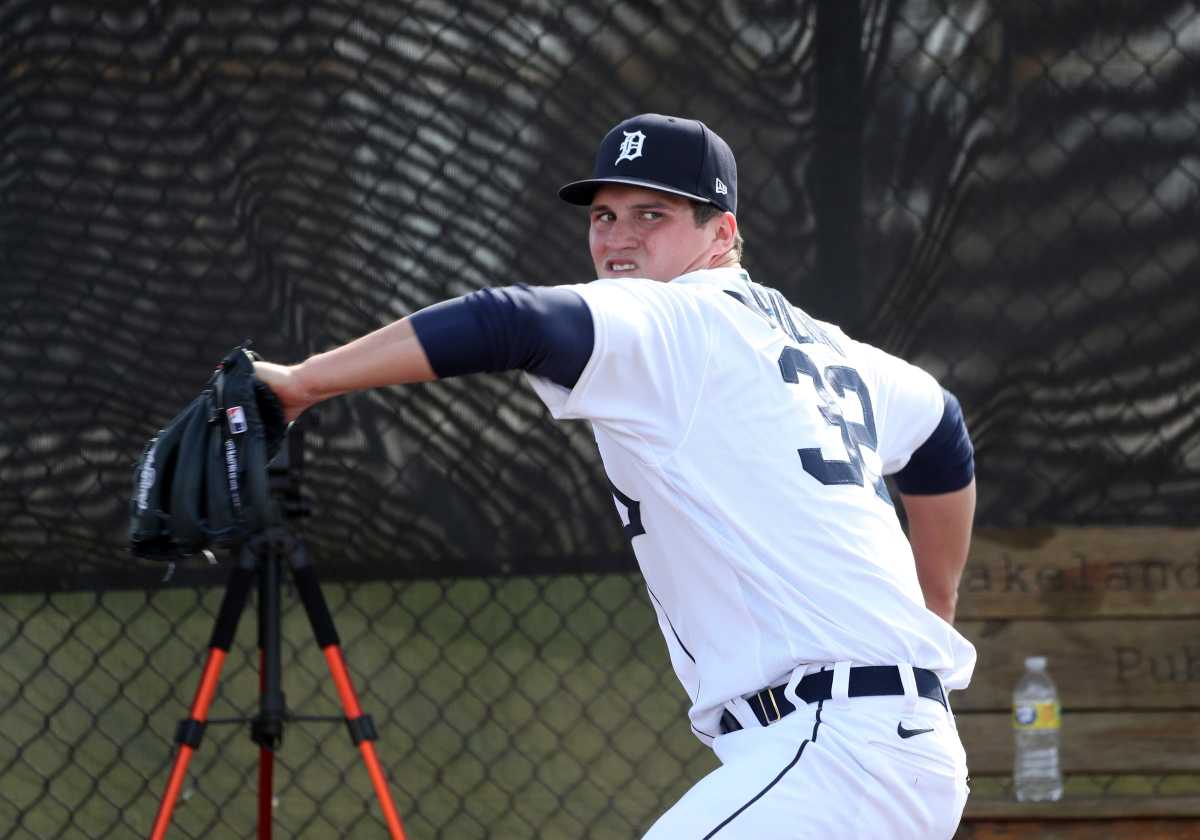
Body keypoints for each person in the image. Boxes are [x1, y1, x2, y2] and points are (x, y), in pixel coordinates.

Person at [253, 113, 977, 838]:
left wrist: (302, 384)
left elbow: (510, 322)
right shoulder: (824, 346)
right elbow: (941, 428)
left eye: (651, 214)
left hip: (836, 754)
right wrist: (932, 608)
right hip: (865, 747)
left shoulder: (675, 319)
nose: (618, 236)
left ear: (721, 233)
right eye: (604, 215)